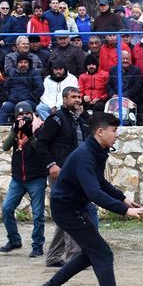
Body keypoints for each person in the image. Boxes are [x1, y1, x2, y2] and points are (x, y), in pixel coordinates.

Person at [38, 112, 143, 286]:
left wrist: (124, 199)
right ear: (100, 132)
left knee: (93, 253)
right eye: (114, 131)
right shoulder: (86, 155)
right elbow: (95, 193)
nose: (116, 135)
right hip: (67, 209)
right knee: (103, 253)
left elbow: (101, 183)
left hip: (74, 207)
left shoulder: (97, 151)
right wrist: (125, 212)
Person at [34, 86, 92, 268]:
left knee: (66, 213)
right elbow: (40, 143)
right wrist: (51, 164)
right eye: (73, 97)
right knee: (72, 211)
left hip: (77, 173)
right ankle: (74, 256)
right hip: (61, 173)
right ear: (64, 99)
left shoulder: (79, 120)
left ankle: (53, 256)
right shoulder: (56, 119)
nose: (77, 100)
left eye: (79, 97)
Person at [0, 102, 49, 257]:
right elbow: (5, 147)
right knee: (7, 208)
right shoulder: (16, 129)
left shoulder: (40, 127)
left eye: (26, 114)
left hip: (36, 177)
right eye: (20, 115)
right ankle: (14, 240)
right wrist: (14, 132)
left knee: (37, 214)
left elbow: (41, 149)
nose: (23, 117)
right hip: (18, 178)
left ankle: (37, 245)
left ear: (32, 114)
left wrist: (30, 134)